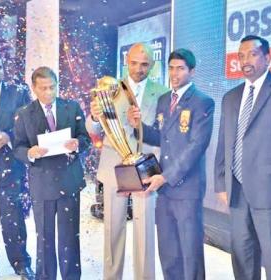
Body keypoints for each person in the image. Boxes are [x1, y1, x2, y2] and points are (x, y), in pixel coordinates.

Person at [214, 35, 271, 280]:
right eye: (240, 55)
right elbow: (225, 142)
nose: (245, 60)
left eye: (252, 54)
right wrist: (221, 181)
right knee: (242, 257)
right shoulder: (230, 98)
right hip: (237, 191)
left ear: (267, 57)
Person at [128, 48, 215, 280]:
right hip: (164, 190)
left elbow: (196, 147)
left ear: (192, 71)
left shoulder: (203, 102)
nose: (175, 74)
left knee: (190, 253)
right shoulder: (165, 99)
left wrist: (166, 176)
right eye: (172, 68)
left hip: (186, 189)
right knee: (168, 252)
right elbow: (159, 136)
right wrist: (138, 126)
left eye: (181, 68)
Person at [86, 43, 168, 280]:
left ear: (152, 65)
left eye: (144, 64)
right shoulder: (110, 88)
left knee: (144, 230)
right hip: (114, 165)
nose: (139, 69)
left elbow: (163, 132)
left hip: (145, 169)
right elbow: (91, 128)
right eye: (134, 63)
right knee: (112, 228)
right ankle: (112, 277)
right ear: (126, 61)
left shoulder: (161, 92)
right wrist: (93, 115)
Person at [13, 66, 91, 280]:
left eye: (53, 87)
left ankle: (71, 277)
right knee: (45, 238)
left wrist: (78, 143)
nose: (49, 93)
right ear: (34, 89)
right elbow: (17, 147)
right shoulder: (24, 114)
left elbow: (86, 139)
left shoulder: (72, 107)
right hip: (42, 183)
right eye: (44, 88)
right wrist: (30, 152)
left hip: (69, 180)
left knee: (69, 238)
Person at [0, 54, 34, 279]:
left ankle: (21, 263)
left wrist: (9, 135)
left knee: (12, 215)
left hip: (11, 165)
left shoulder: (18, 92)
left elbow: (30, 125)